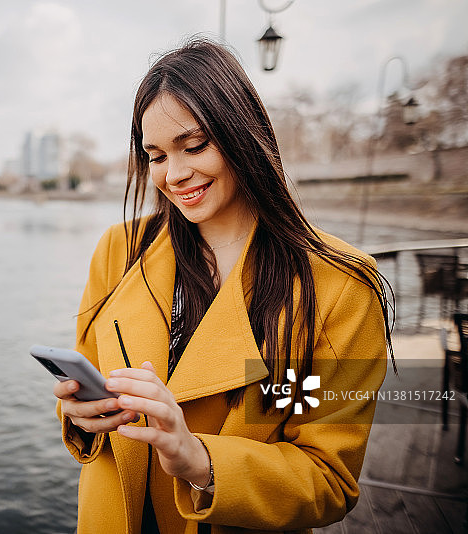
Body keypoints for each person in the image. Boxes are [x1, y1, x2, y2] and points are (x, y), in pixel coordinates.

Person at [53, 38, 394, 534]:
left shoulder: (339, 286)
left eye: (194, 146)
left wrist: (199, 461)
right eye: (156, 156)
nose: (174, 174)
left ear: (243, 134)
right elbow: (85, 384)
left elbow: (327, 478)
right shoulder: (119, 250)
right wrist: (79, 414)